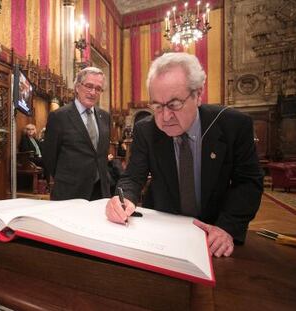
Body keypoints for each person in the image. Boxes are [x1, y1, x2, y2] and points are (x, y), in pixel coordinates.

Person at [105, 52, 263, 258]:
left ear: (198, 95)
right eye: (157, 106)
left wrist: (227, 228)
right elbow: (133, 177)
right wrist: (123, 199)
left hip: (213, 232)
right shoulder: (146, 130)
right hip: (162, 232)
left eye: (174, 104)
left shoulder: (234, 125)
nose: (165, 117)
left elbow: (248, 183)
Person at [43, 67, 111, 201]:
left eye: (98, 89)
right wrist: (67, 179)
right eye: (89, 86)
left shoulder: (105, 117)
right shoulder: (59, 116)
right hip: (69, 192)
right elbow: (49, 157)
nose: (93, 92)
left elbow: (101, 154)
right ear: (77, 87)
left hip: (100, 192)